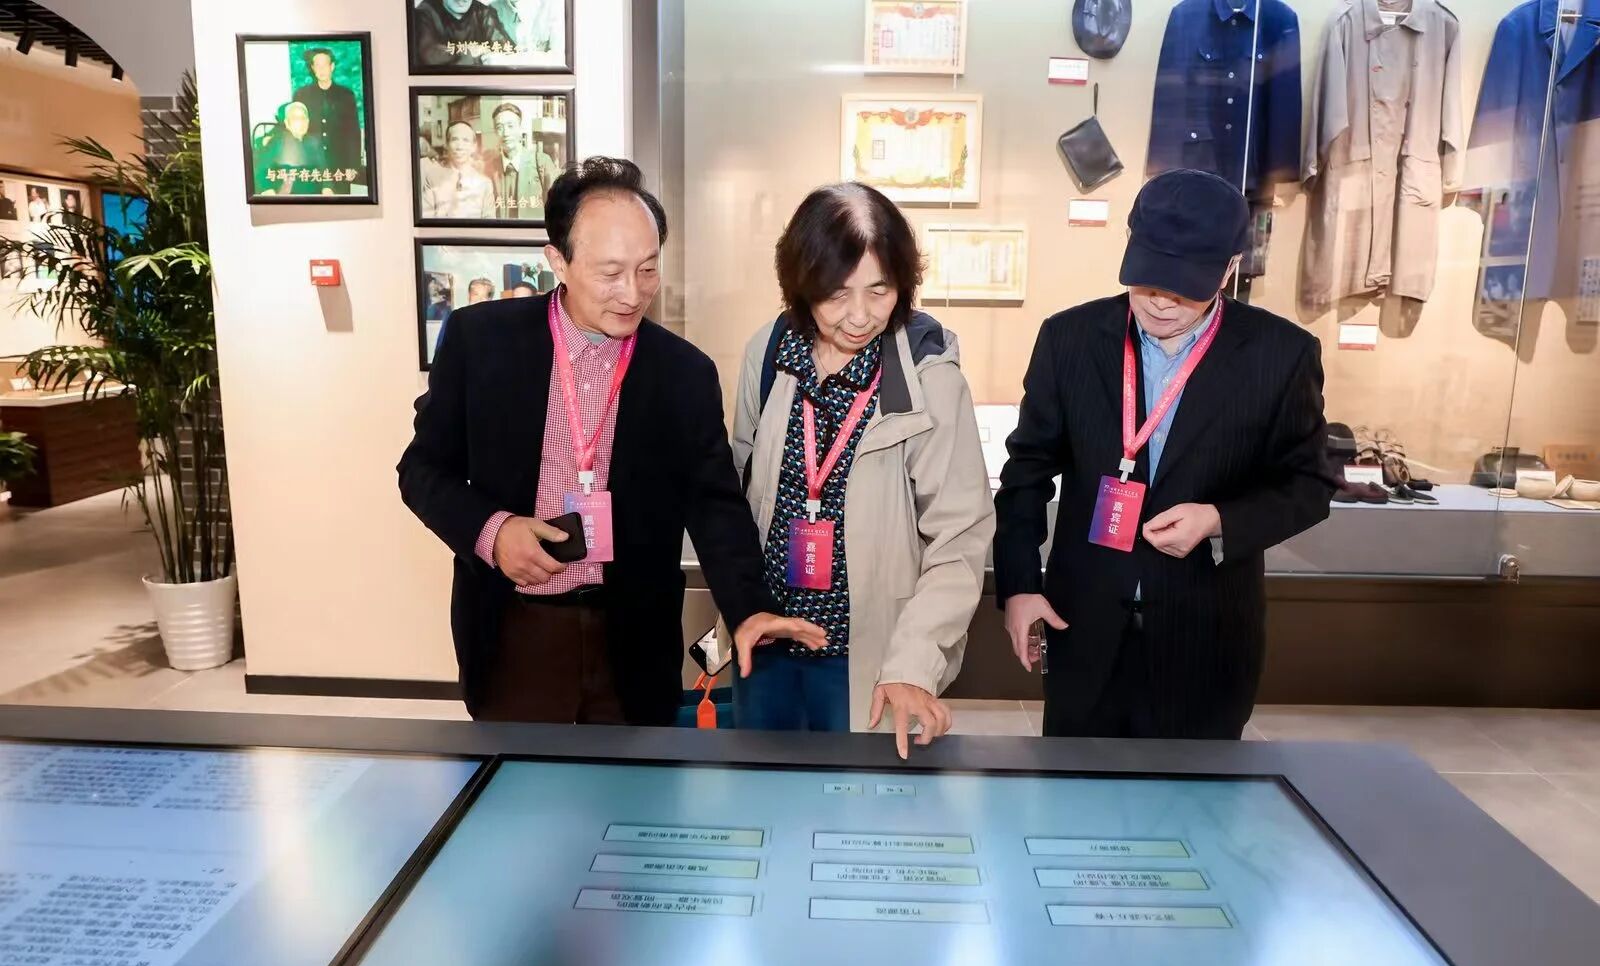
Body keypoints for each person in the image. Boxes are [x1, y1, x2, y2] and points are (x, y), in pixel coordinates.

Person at [398, 156, 825, 724]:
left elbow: (714, 503)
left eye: (647, 269)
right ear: (558, 260)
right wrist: (493, 532)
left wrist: (748, 607)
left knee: (634, 779)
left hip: (633, 637)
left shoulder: (683, 373)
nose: (632, 293)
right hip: (514, 628)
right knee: (523, 777)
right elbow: (423, 470)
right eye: (610, 272)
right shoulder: (481, 342)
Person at [993, 169, 1334, 740]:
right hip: (1084, 627)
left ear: (1230, 268)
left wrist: (1219, 519)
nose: (1161, 300)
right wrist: (1020, 587)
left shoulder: (1281, 355)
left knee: (1194, 796)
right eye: (1149, 277)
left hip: (1205, 637)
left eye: (1186, 285)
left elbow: (1310, 485)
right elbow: (1025, 473)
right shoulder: (1069, 339)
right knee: (1076, 791)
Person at [730, 184, 992, 758]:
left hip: (870, 659)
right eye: (836, 293)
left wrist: (914, 662)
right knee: (763, 796)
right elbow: (741, 492)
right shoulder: (770, 353)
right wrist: (744, 604)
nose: (859, 316)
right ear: (801, 284)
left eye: (879, 290)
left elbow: (959, 538)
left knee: (858, 802)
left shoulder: (930, 379)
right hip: (768, 649)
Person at [294, 48, 362, 194]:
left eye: (324, 65)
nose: (321, 69)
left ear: (332, 66)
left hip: (340, 165)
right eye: (317, 65)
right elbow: (294, 129)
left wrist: (353, 166)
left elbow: (353, 133)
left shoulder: (346, 95)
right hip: (311, 165)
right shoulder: (302, 95)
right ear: (312, 68)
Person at [485, 102, 560, 220]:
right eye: (499, 127)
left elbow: (557, 208)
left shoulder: (542, 162)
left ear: (520, 128)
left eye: (510, 126)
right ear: (495, 132)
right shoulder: (490, 167)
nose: (505, 133)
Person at [421, 120, 495, 219]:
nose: (460, 147)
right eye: (454, 139)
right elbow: (426, 219)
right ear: (447, 144)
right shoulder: (432, 179)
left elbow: (489, 222)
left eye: (466, 140)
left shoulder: (484, 184)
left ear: (474, 147)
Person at [413, 0, 513, 67]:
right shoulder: (425, 12)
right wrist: (471, 54)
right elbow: (429, 54)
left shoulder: (483, 12)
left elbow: (505, 46)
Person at [263, 103, 328, 196]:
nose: (301, 122)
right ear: (287, 123)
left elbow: (324, 170)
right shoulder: (277, 142)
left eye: (303, 118)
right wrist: (268, 190)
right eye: (295, 118)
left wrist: (327, 187)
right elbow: (261, 171)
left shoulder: (314, 142)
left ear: (308, 122)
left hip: (313, 197)